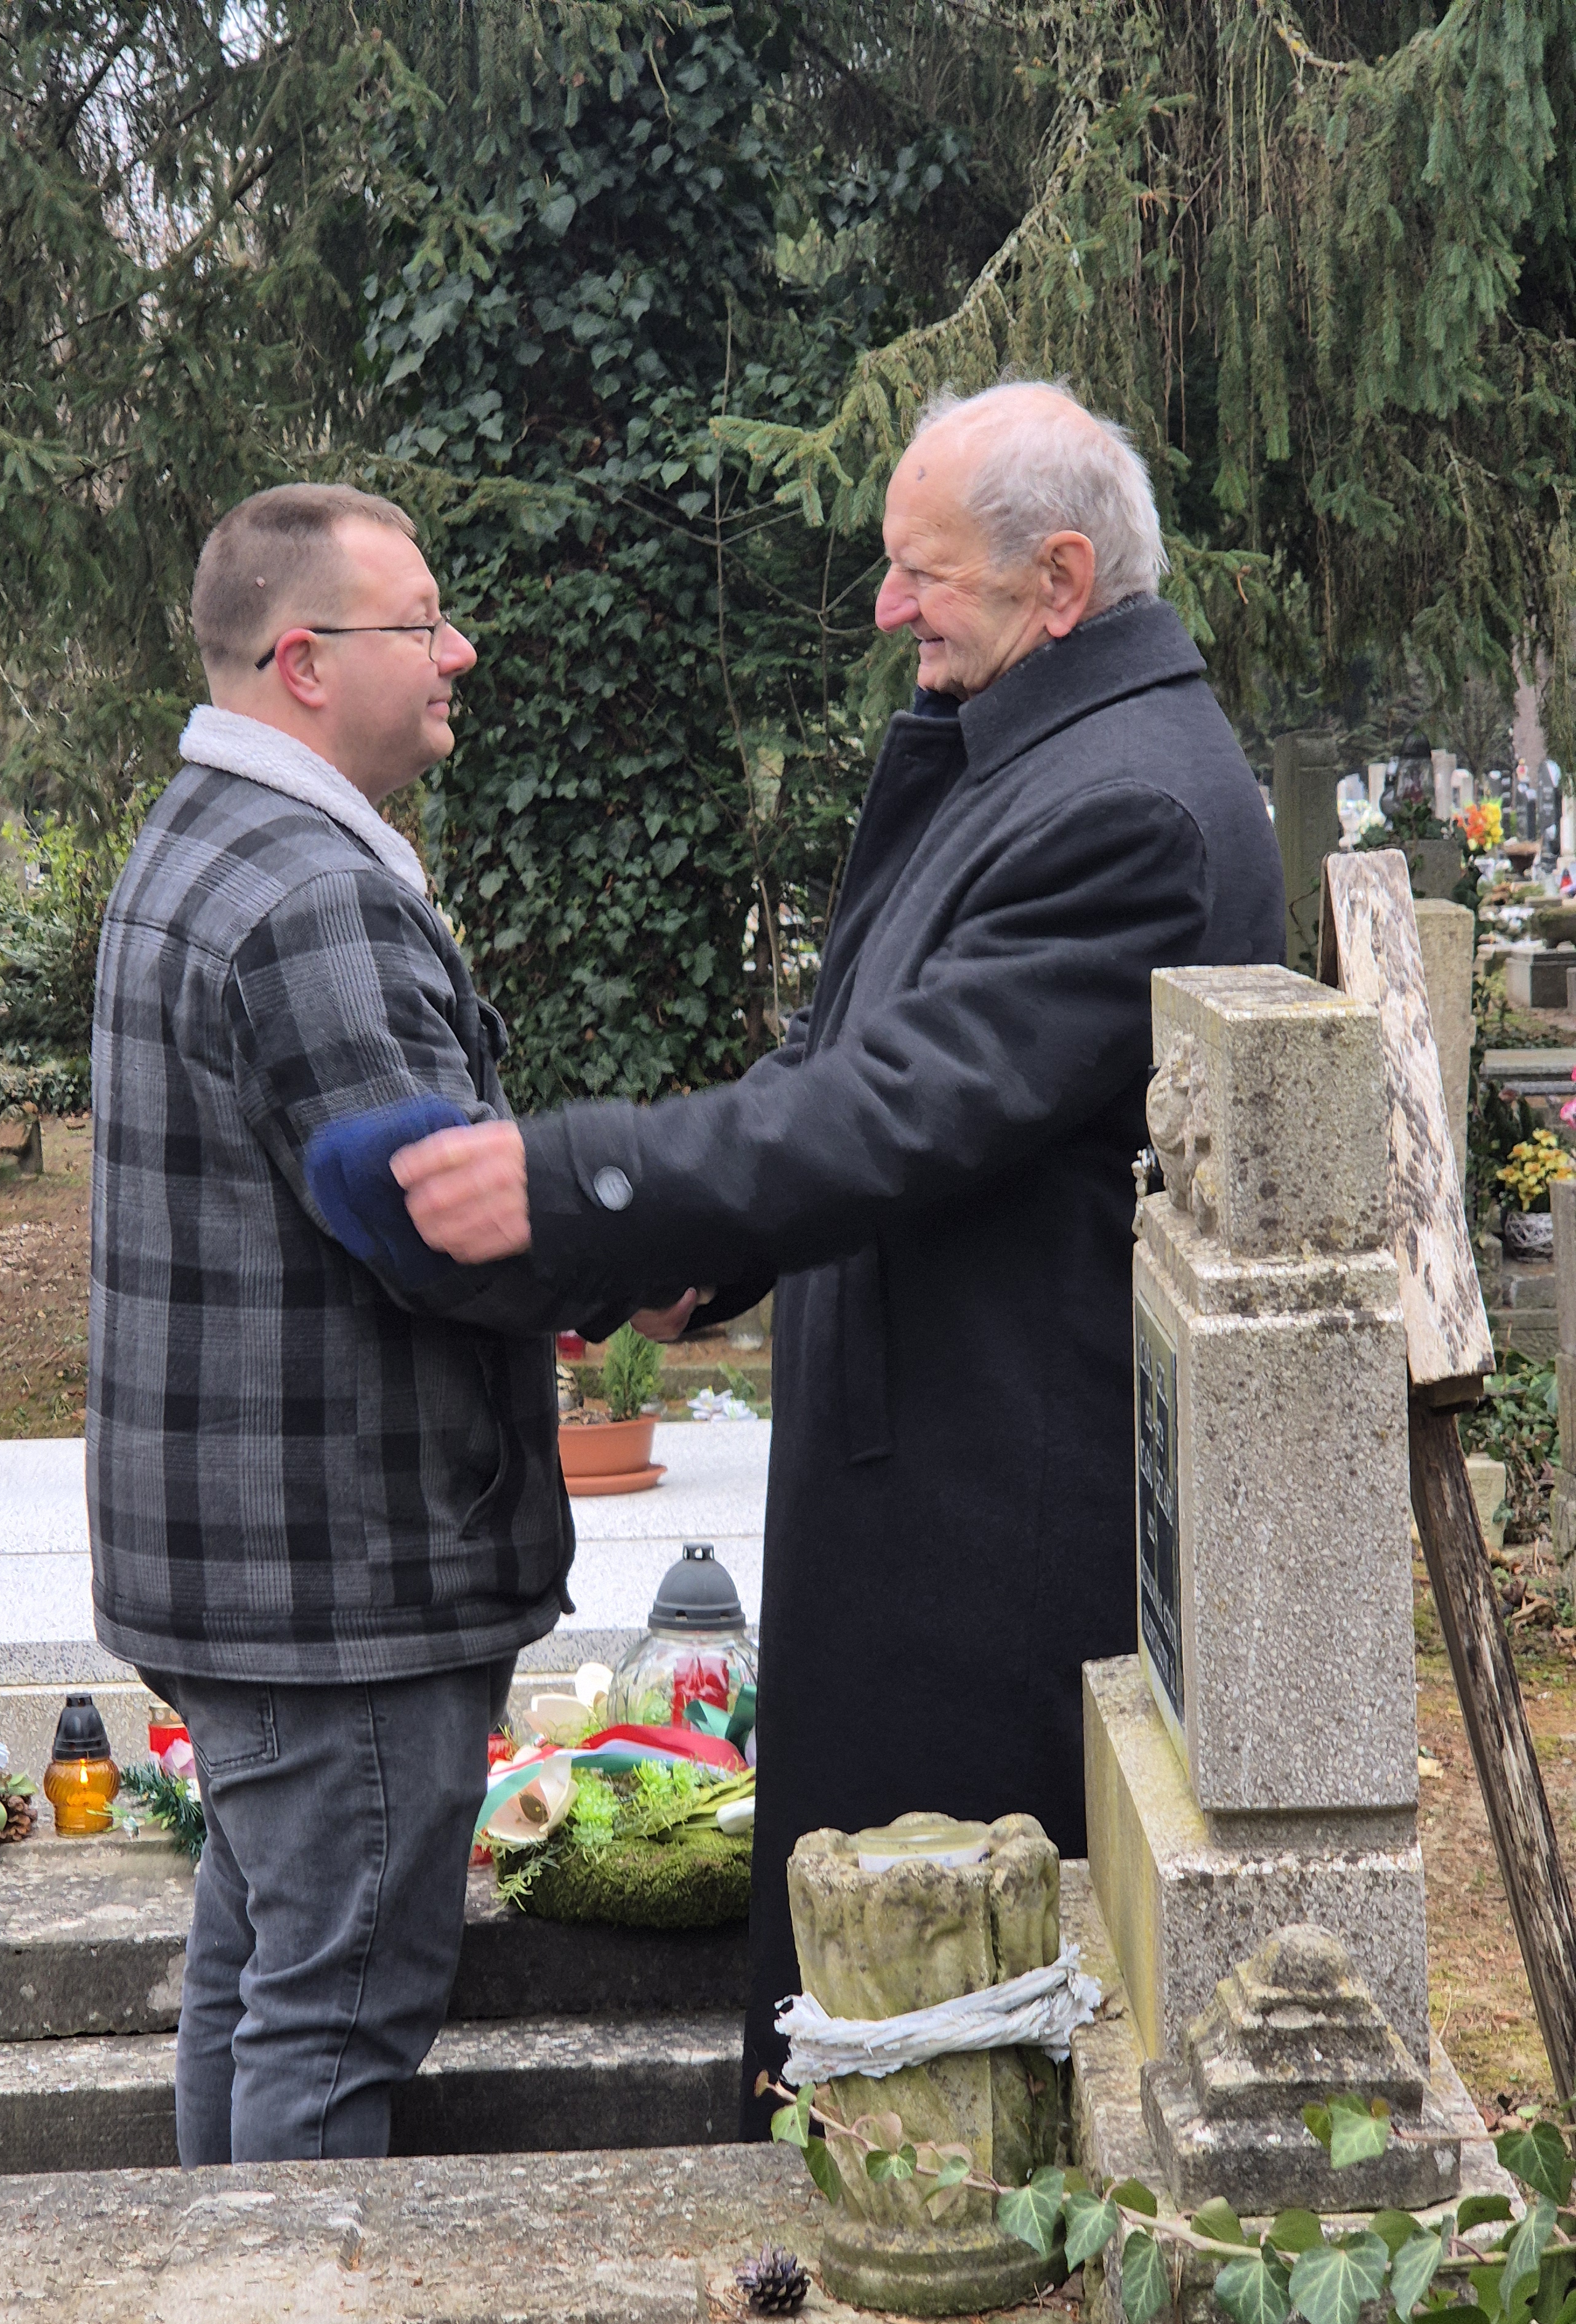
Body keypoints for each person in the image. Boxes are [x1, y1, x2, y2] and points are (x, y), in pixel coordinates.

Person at [387, 379, 1288, 2129]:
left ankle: (904, 2254)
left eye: (921, 573)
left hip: (992, 1517)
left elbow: (897, 1110)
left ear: (1060, 581)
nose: (886, 609)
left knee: (926, 2010)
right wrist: (700, 1261)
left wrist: (580, 1183)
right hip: (930, 1457)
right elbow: (842, 1058)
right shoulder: (1021, 755)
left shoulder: (1128, 809)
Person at [86, 482, 623, 2165]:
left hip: (249, 1568)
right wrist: (639, 1247)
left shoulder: (201, 837)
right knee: (333, 2021)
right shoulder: (310, 894)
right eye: (424, 622)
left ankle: (221, 2310)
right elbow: (435, 1222)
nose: (459, 652)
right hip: (345, 1582)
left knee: (256, 1980)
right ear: (306, 661)